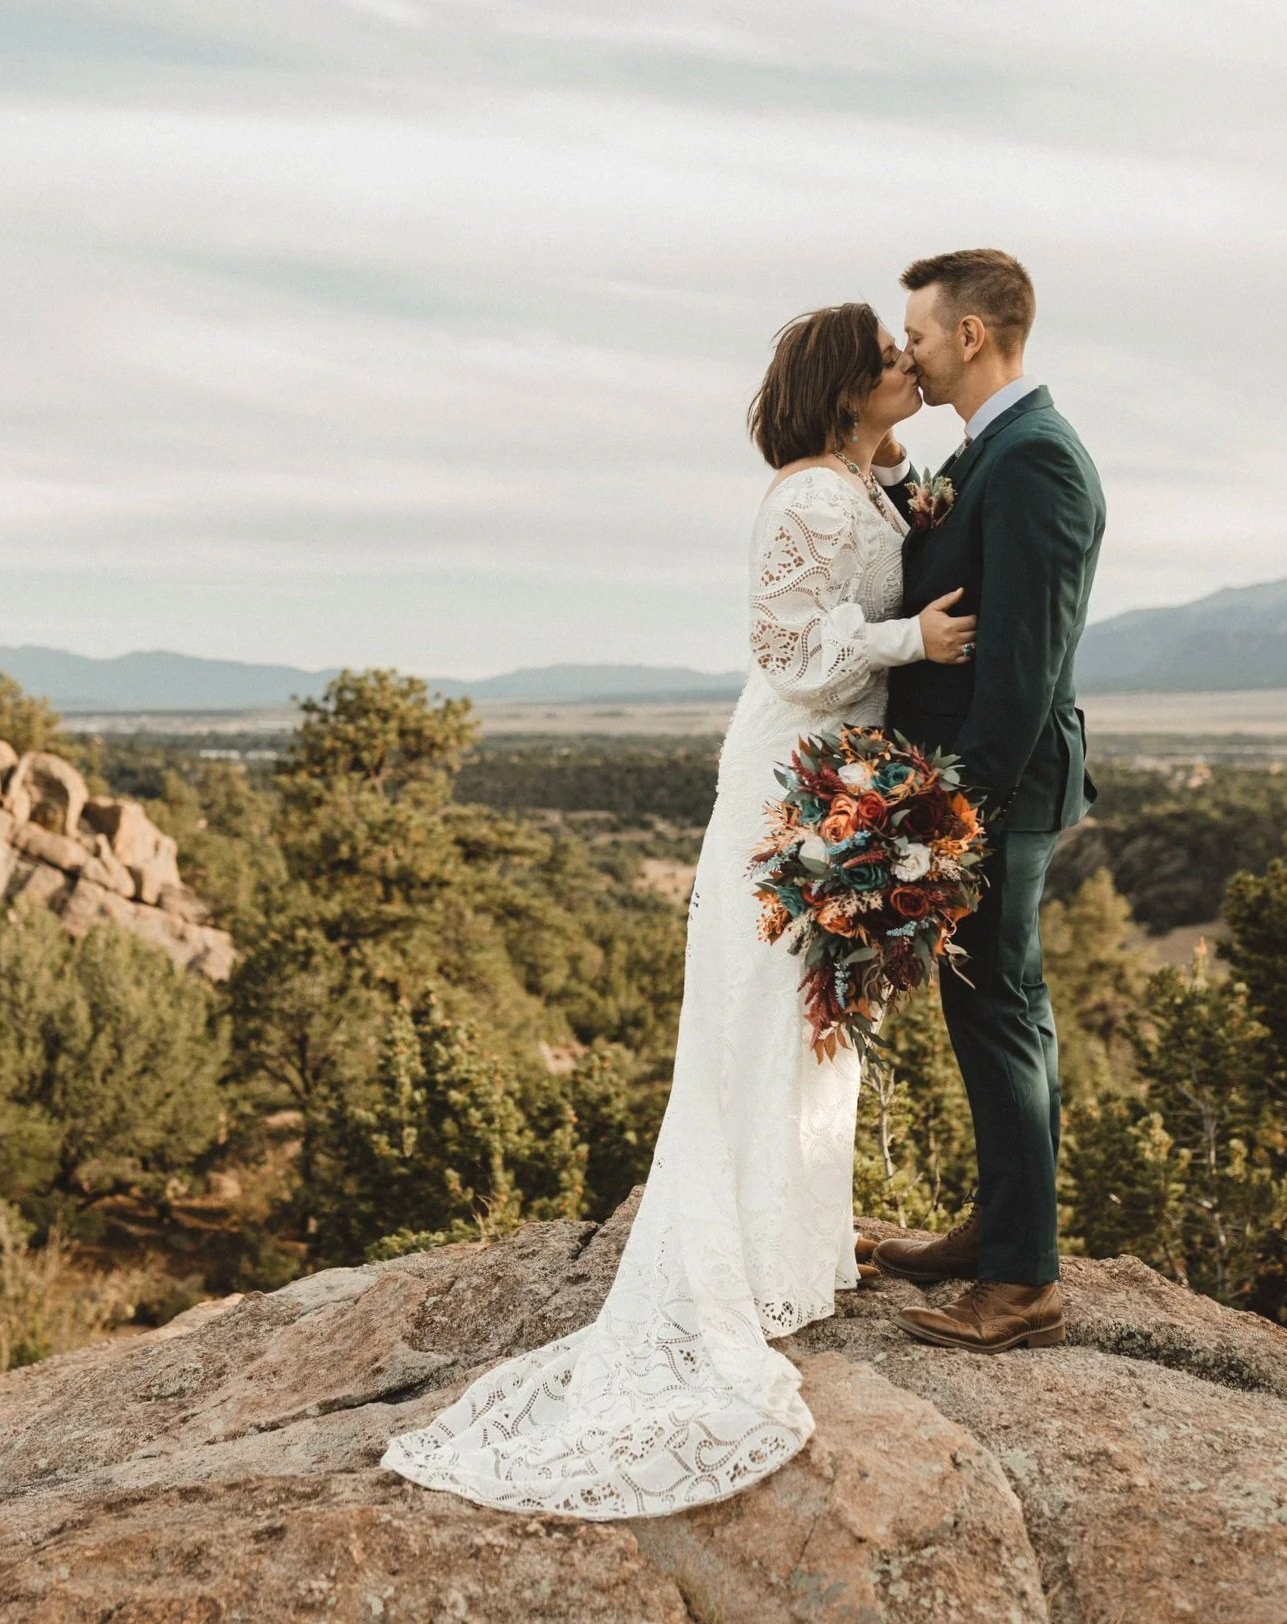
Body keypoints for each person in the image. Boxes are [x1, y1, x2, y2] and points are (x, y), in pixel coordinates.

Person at [377, 303, 975, 1518]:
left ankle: (791, 1248)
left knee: (812, 1007)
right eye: (887, 358)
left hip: (841, 767)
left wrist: (900, 471)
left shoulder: (862, 484)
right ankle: (735, 1258)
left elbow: (881, 518)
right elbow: (790, 653)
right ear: (841, 386)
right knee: (763, 1003)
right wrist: (913, 637)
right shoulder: (806, 499)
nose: (908, 366)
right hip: (791, 769)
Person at [869, 249, 1105, 1353]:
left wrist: (955, 811)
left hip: (995, 789)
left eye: (918, 334)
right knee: (1003, 1010)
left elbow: (1021, 668)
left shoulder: (1036, 459)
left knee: (998, 1012)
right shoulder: (990, 450)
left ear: (969, 335)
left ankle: (1021, 1283)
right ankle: (1005, 1229)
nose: (908, 352)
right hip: (986, 785)